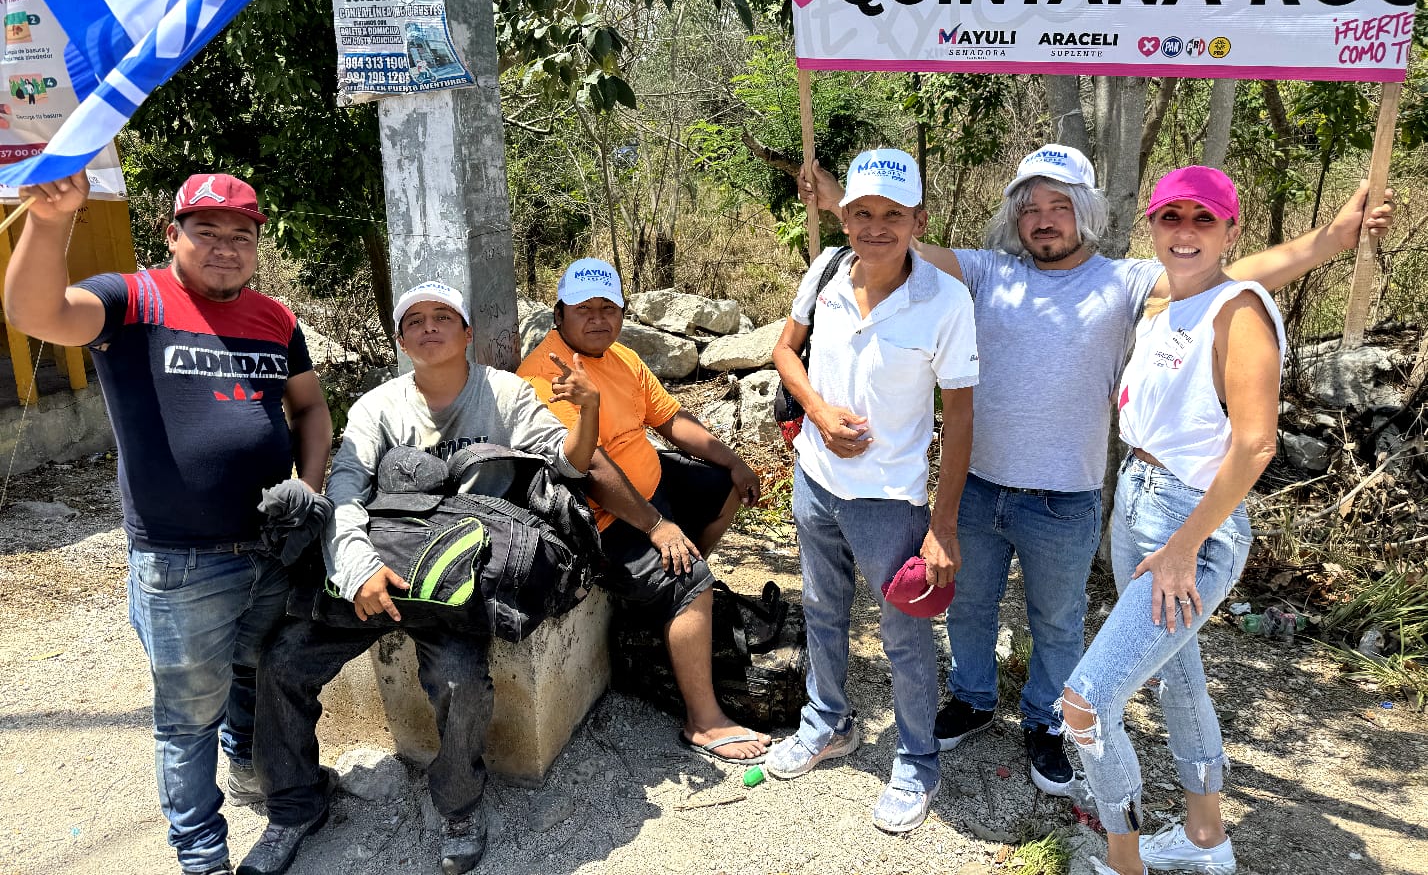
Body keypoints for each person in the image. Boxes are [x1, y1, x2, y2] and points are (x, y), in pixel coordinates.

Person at [802, 146, 1394, 797]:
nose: (1044, 219)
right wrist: (834, 199)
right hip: (976, 489)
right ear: (1016, 218)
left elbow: (1234, 272)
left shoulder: (1126, 282)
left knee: (1058, 619)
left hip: (1065, 499)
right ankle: (972, 696)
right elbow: (901, 240)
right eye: (1031, 208)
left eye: (1060, 206)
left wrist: (1332, 239)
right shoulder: (986, 270)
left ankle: (1046, 718)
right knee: (968, 604)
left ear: (1084, 212)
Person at [4, 171, 332, 875]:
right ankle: (202, 853)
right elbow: (36, 312)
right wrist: (52, 219)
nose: (225, 247)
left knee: (254, 674)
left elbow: (310, 408)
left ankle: (248, 766)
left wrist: (309, 488)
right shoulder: (133, 298)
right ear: (172, 234)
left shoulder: (276, 319)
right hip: (184, 563)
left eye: (240, 235)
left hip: (272, 547)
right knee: (188, 718)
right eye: (207, 232)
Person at [240, 280, 601, 875]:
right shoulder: (377, 406)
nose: (429, 328)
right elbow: (346, 494)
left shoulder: (504, 393)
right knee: (282, 661)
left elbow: (566, 463)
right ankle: (295, 807)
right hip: (383, 569)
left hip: (459, 585)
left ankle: (458, 805)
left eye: (442, 317)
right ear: (402, 338)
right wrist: (357, 572)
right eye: (415, 321)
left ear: (466, 333)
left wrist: (587, 410)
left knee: (460, 682)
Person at [1062, 167, 1282, 875]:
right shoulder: (1168, 305)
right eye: (1171, 217)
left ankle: (1123, 864)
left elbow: (1255, 442)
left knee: (1086, 703)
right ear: (1152, 225)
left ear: (1229, 230)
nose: (1185, 232)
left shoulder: (1238, 309)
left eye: (1204, 219)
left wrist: (1186, 547)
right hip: (1139, 500)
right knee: (1178, 676)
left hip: (1191, 523)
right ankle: (1205, 835)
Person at [768, 148, 979, 834]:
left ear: (919, 219)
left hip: (890, 500)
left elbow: (962, 415)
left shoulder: (945, 301)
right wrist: (819, 413)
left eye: (893, 214)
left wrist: (941, 527)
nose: (876, 226)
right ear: (845, 216)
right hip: (815, 478)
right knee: (824, 609)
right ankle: (828, 721)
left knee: (904, 635)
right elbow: (783, 351)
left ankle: (917, 760)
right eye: (862, 212)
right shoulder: (826, 270)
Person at [518, 257, 771, 765]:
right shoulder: (549, 374)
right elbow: (587, 466)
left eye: (608, 308)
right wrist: (657, 526)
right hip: (607, 515)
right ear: (558, 313)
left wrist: (733, 460)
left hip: (653, 482)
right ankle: (704, 720)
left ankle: (670, 603)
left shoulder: (622, 359)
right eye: (584, 309)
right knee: (691, 580)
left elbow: (671, 419)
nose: (598, 319)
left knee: (724, 489)